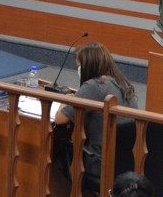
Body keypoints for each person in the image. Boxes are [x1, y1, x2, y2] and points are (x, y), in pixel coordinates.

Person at [54, 41, 139, 179]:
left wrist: (64, 101)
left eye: (79, 66)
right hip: (127, 161)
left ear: (88, 66)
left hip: (100, 162)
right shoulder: (121, 83)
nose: (79, 70)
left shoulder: (94, 86)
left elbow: (60, 119)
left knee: (56, 148)